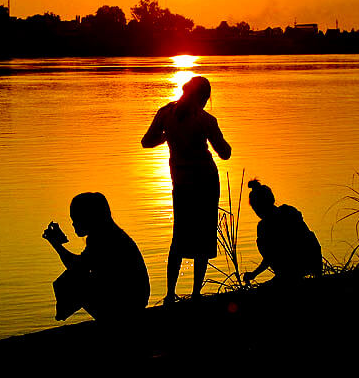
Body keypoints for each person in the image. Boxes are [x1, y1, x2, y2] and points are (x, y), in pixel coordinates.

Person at [142, 75, 231, 304]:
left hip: (181, 184)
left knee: (179, 239)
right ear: (203, 97)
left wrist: (166, 137)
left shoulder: (165, 113)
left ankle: (170, 294)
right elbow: (225, 153)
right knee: (204, 238)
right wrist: (219, 139)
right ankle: (195, 295)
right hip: (206, 183)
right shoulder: (206, 119)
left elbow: (146, 141)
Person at [43, 192, 150, 322]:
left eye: (75, 219)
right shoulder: (108, 234)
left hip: (128, 301)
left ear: (88, 217)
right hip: (135, 297)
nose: (73, 224)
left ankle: (107, 319)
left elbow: (77, 267)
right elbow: (83, 265)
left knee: (71, 280)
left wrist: (56, 244)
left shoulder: (103, 238)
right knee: (70, 279)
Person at [242, 179, 323, 284]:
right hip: (312, 263)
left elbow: (270, 257)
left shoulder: (263, 227)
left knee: (261, 242)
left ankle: (286, 276)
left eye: (255, 208)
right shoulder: (290, 211)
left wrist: (254, 274)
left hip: (294, 268)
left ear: (257, 207)